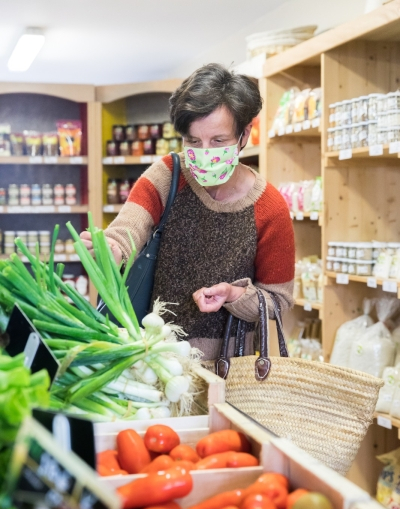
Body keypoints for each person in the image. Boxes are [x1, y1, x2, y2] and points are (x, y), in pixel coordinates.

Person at [81, 63, 295, 360]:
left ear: (245, 135)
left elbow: (278, 299)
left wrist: (234, 296)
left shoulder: (269, 207)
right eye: (193, 141)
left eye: (218, 141)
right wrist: (113, 249)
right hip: (156, 359)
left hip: (231, 369)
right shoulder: (168, 176)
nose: (205, 152)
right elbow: (129, 227)